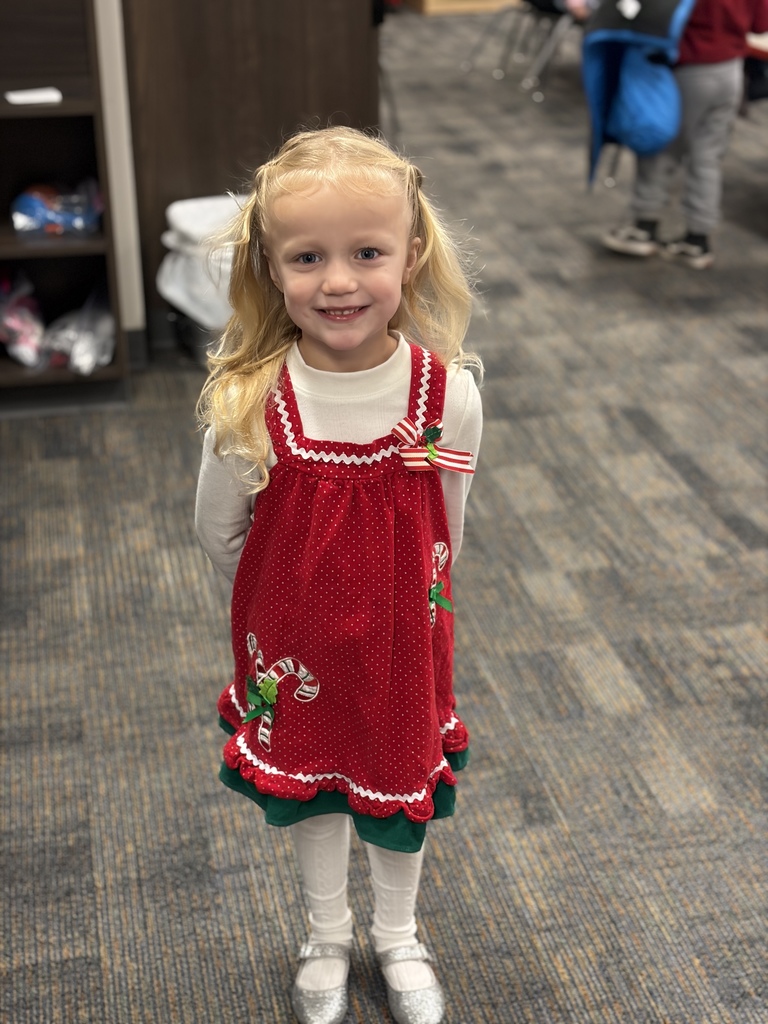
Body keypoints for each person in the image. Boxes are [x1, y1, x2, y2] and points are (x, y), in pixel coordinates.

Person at [195, 126, 482, 1024]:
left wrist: (394, 602)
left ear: (412, 252)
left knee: (399, 797)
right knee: (310, 792)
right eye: (307, 257)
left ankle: (397, 935)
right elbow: (218, 533)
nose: (339, 281)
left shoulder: (448, 396)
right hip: (295, 648)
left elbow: (448, 532)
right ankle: (325, 934)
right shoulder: (255, 397)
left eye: (368, 252)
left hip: (404, 641)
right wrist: (297, 601)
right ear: (270, 269)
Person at [602, 0, 768, 269]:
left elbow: (649, 16)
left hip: (690, 68)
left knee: (660, 147)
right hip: (731, 71)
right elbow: (761, 24)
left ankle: (644, 226)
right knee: (708, 156)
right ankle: (697, 239)